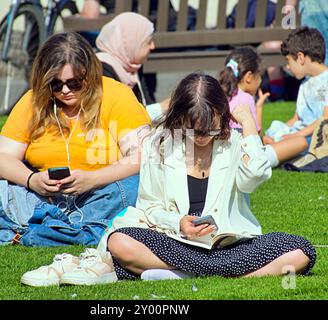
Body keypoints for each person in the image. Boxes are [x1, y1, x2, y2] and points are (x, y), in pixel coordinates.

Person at [36, 73, 315, 286]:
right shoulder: (159, 144)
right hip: (175, 241)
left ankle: (183, 273)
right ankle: (218, 273)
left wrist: (250, 124)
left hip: (230, 245)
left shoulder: (234, 143)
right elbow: (149, 208)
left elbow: (255, 175)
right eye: (193, 130)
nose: (203, 137)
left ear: (223, 117)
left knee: (301, 251)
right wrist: (178, 223)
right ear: (179, 119)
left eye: (211, 128)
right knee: (120, 241)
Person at [0, 32, 151, 248]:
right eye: (55, 84)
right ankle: (74, 230)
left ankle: (34, 230)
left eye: (74, 83)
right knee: (1, 188)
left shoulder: (116, 94)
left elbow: (140, 156)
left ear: (90, 74)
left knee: (132, 187)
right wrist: (32, 180)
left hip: (101, 194)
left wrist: (92, 179)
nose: (65, 91)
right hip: (45, 197)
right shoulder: (34, 101)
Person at [219, 46, 308, 168]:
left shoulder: (221, 94)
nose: (261, 80)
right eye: (260, 75)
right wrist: (259, 108)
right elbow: (256, 139)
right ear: (249, 77)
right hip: (246, 161)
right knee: (301, 142)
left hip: (223, 156)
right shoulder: (246, 98)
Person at [264, 27, 328, 155]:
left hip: (318, 136)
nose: (287, 67)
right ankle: (272, 147)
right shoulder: (305, 84)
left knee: (301, 143)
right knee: (276, 128)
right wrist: (280, 133)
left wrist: (294, 136)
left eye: (288, 61)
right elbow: (296, 118)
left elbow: (325, 118)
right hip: (302, 133)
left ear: (300, 57)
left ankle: (268, 155)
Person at [95, 12, 169, 121]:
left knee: (186, 133)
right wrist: (162, 108)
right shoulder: (102, 70)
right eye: (148, 42)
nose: (153, 46)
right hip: (115, 134)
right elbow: (118, 116)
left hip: (137, 130)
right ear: (129, 43)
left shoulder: (131, 64)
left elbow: (146, 102)